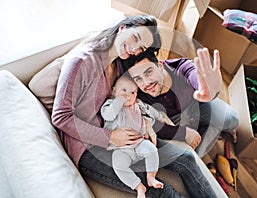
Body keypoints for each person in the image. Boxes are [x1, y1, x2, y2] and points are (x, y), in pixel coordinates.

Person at [51, 14, 219, 197]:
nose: (134, 49)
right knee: (160, 191)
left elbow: (167, 71)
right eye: (135, 38)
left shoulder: (122, 63)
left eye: (141, 47)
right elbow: (60, 116)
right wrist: (109, 137)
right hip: (88, 147)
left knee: (185, 160)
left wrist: (205, 86)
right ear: (123, 27)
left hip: (124, 128)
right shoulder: (82, 61)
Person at [124, 48, 239, 157]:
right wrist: (183, 133)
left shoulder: (181, 67)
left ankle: (211, 127)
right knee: (192, 155)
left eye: (148, 72)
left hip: (197, 103)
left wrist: (207, 89)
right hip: (171, 119)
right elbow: (146, 123)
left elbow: (194, 74)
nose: (146, 82)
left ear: (160, 66)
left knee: (232, 119)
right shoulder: (136, 93)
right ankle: (206, 133)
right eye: (138, 79)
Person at [101, 75, 173, 198]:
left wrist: (161, 117)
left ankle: (151, 177)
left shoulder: (138, 104)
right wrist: (118, 101)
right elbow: (108, 116)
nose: (127, 95)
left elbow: (151, 110)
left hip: (140, 142)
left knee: (152, 150)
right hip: (121, 148)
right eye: (123, 90)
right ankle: (139, 186)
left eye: (132, 92)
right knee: (118, 165)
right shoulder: (110, 104)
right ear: (114, 91)